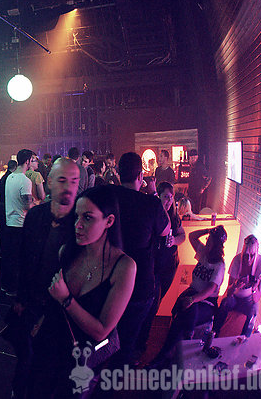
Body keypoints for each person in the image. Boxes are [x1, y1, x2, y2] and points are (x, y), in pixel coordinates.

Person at [31, 185, 136, 396]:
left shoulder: (124, 267)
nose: (78, 225)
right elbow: (52, 298)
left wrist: (67, 300)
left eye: (88, 218)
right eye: (77, 217)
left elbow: (102, 330)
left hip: (81, 359)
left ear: (109, 221)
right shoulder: (67, 251)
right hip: (49, 345)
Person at [9, 157, 80, 398]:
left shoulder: (81, 221)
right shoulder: (36, 216)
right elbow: (24, 258)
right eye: (62, 180)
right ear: (49, 182)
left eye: (74, 181)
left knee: (55, 367)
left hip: (63, 310)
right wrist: (20, 298)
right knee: (27, 359)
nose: (68, 187)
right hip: (32, 302)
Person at [111, 152, 169, 366]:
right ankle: (120, 371)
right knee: (130, 336)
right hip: (139, 282)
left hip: (110, 278)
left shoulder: (108, 196)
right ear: (140, 176)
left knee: (110, 330)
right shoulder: (150, 203)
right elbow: (166, 230)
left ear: (119, 173)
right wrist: (153, 193)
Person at [152, 225, 227, 365]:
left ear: (216, 246)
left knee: (185, 314)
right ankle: (166, 356)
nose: (207, 243)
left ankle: (171, 351)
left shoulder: (219, 265)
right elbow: (192, 236)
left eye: (210, 241)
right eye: (208, 240)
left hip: (207, 302)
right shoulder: (204, 253)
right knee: (182, 316)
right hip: (193, 294)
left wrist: (193, 299)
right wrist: (208, 230)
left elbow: (210, 289)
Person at [138, 181, 186, 346]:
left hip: (169, 266)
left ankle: (141, 340)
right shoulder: (152, 214)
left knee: (156, 303)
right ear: (158, 196)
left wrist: (174, 241)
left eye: (171, 197)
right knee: (150, 305)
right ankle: (140, 343)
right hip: (154, 268)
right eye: (166, 197)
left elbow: (182, 235)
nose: (169, 201)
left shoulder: (173, 216)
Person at [213, 234, 261, 337]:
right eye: (246, 255)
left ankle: (244, 338)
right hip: (235, 297)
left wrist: (254, 288)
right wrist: (235, 285)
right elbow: (229, 292)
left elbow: (256, 298)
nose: (248, 259)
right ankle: (214, 333)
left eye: (252, 255)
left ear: (256, 253)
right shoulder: (237, 260)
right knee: (225, 303)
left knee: (254, 310)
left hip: (248, 300)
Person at [2, 149, 34, 295]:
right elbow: (27, 205)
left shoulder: (10, 177)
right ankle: (14, 288)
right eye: (32, 160)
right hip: (20, 223)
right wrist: (35, 204)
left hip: (9, 222)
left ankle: (7, 285)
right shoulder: (25, 180)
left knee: (10, 257)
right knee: (19, 258)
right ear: (27, 161)